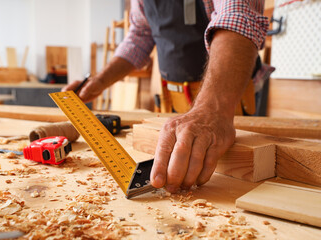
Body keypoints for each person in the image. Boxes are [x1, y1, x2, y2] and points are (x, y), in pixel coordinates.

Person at [63, 0, 269, 193]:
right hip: (175, 98)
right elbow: (140, 35)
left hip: (229, 98)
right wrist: (100, 80)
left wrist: (212, 110)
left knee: (242, 176)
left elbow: (237, 15)